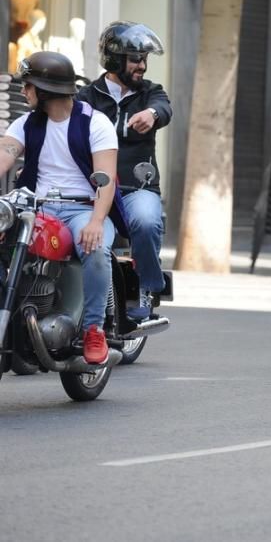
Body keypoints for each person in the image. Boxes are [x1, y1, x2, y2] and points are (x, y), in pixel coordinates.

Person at [0, 52, 129, 364]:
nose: (22, 91)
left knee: (95, 249)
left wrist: (97, 221)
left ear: (44, 90)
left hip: (83, 208)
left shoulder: (95, 123)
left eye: (27, 86)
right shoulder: (25, 123)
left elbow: (106, 180)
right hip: (37, 206)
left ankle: (93, 329)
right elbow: (4, 156)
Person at [77, 21, 171, 319]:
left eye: (145, 59)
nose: (142, 66)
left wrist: (152, 114)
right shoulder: (86, 97)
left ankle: (147, 286)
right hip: (93, 189)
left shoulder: (151, 93)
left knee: (145, 222)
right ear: (114, 59)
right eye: (135, 58)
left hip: (136, 187)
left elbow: (164, 109)